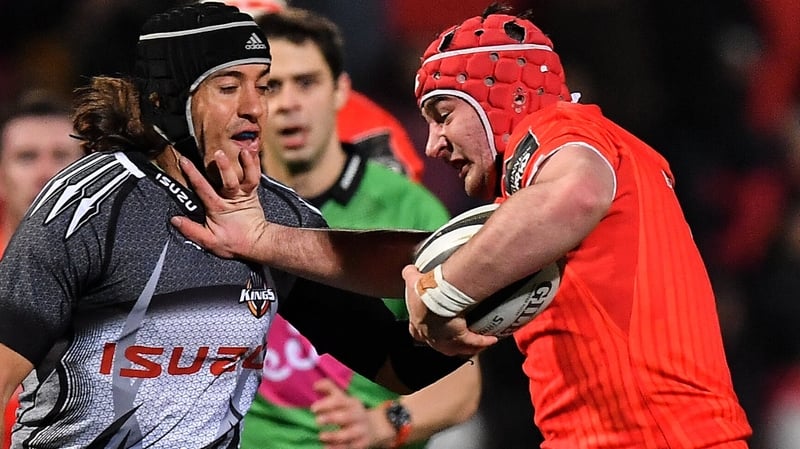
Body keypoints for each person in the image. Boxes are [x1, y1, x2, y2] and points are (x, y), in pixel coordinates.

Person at [170, 3, 753, 447]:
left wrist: (441, 293)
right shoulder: (534, 193)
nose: (434, 143)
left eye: (444, 114)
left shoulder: (565, 132)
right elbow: (413, 261)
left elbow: (575, 192)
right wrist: (264, 239)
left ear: (499, 99)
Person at [0, 3, 469, 447]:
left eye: (261, 85)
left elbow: (392, 364)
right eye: (228, 88)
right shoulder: (88, 207)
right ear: (166, 98)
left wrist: (469, 323)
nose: (255, 108)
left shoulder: (281, 217)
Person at [240, 8, 480, 449]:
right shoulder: (222, 205)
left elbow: (463, 381)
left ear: (340, 92)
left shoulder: (406, 208)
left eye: (307, 82)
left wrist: (385, 422)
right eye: (271, 86)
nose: (290, 102)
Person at [0, 90, 84, 449]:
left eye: (62, 156)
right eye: (27, 157)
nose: (46, 173)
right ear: (1, 176)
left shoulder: (129, 270)